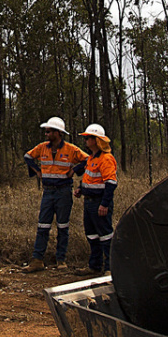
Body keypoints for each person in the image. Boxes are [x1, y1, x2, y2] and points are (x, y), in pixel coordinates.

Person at [24, 116, 88, 268]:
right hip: (48, 192)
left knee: (63, 226)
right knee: (43, 226)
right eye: (46, 132)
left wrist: (74, 170)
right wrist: (38, 171)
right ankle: (37, 260)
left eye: (48, 131)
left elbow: (88, 160)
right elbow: (28, 156)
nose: (46, 134)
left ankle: (61, 260)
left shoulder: (71, 149)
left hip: (64, 192)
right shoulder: (42, 148)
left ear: (58, 133)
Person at [79, 123, 118, 274]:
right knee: (92, 235)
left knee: (106, 236)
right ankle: (94, 266)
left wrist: (104, 204)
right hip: (88, 202)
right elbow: (90, 179)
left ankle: (110, 268)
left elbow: (111, 183)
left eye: (88, 138)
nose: (86, 141)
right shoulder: (91, 158)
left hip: (99, 203)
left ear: (96, 140)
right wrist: (80, 189)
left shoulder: (106, 159)